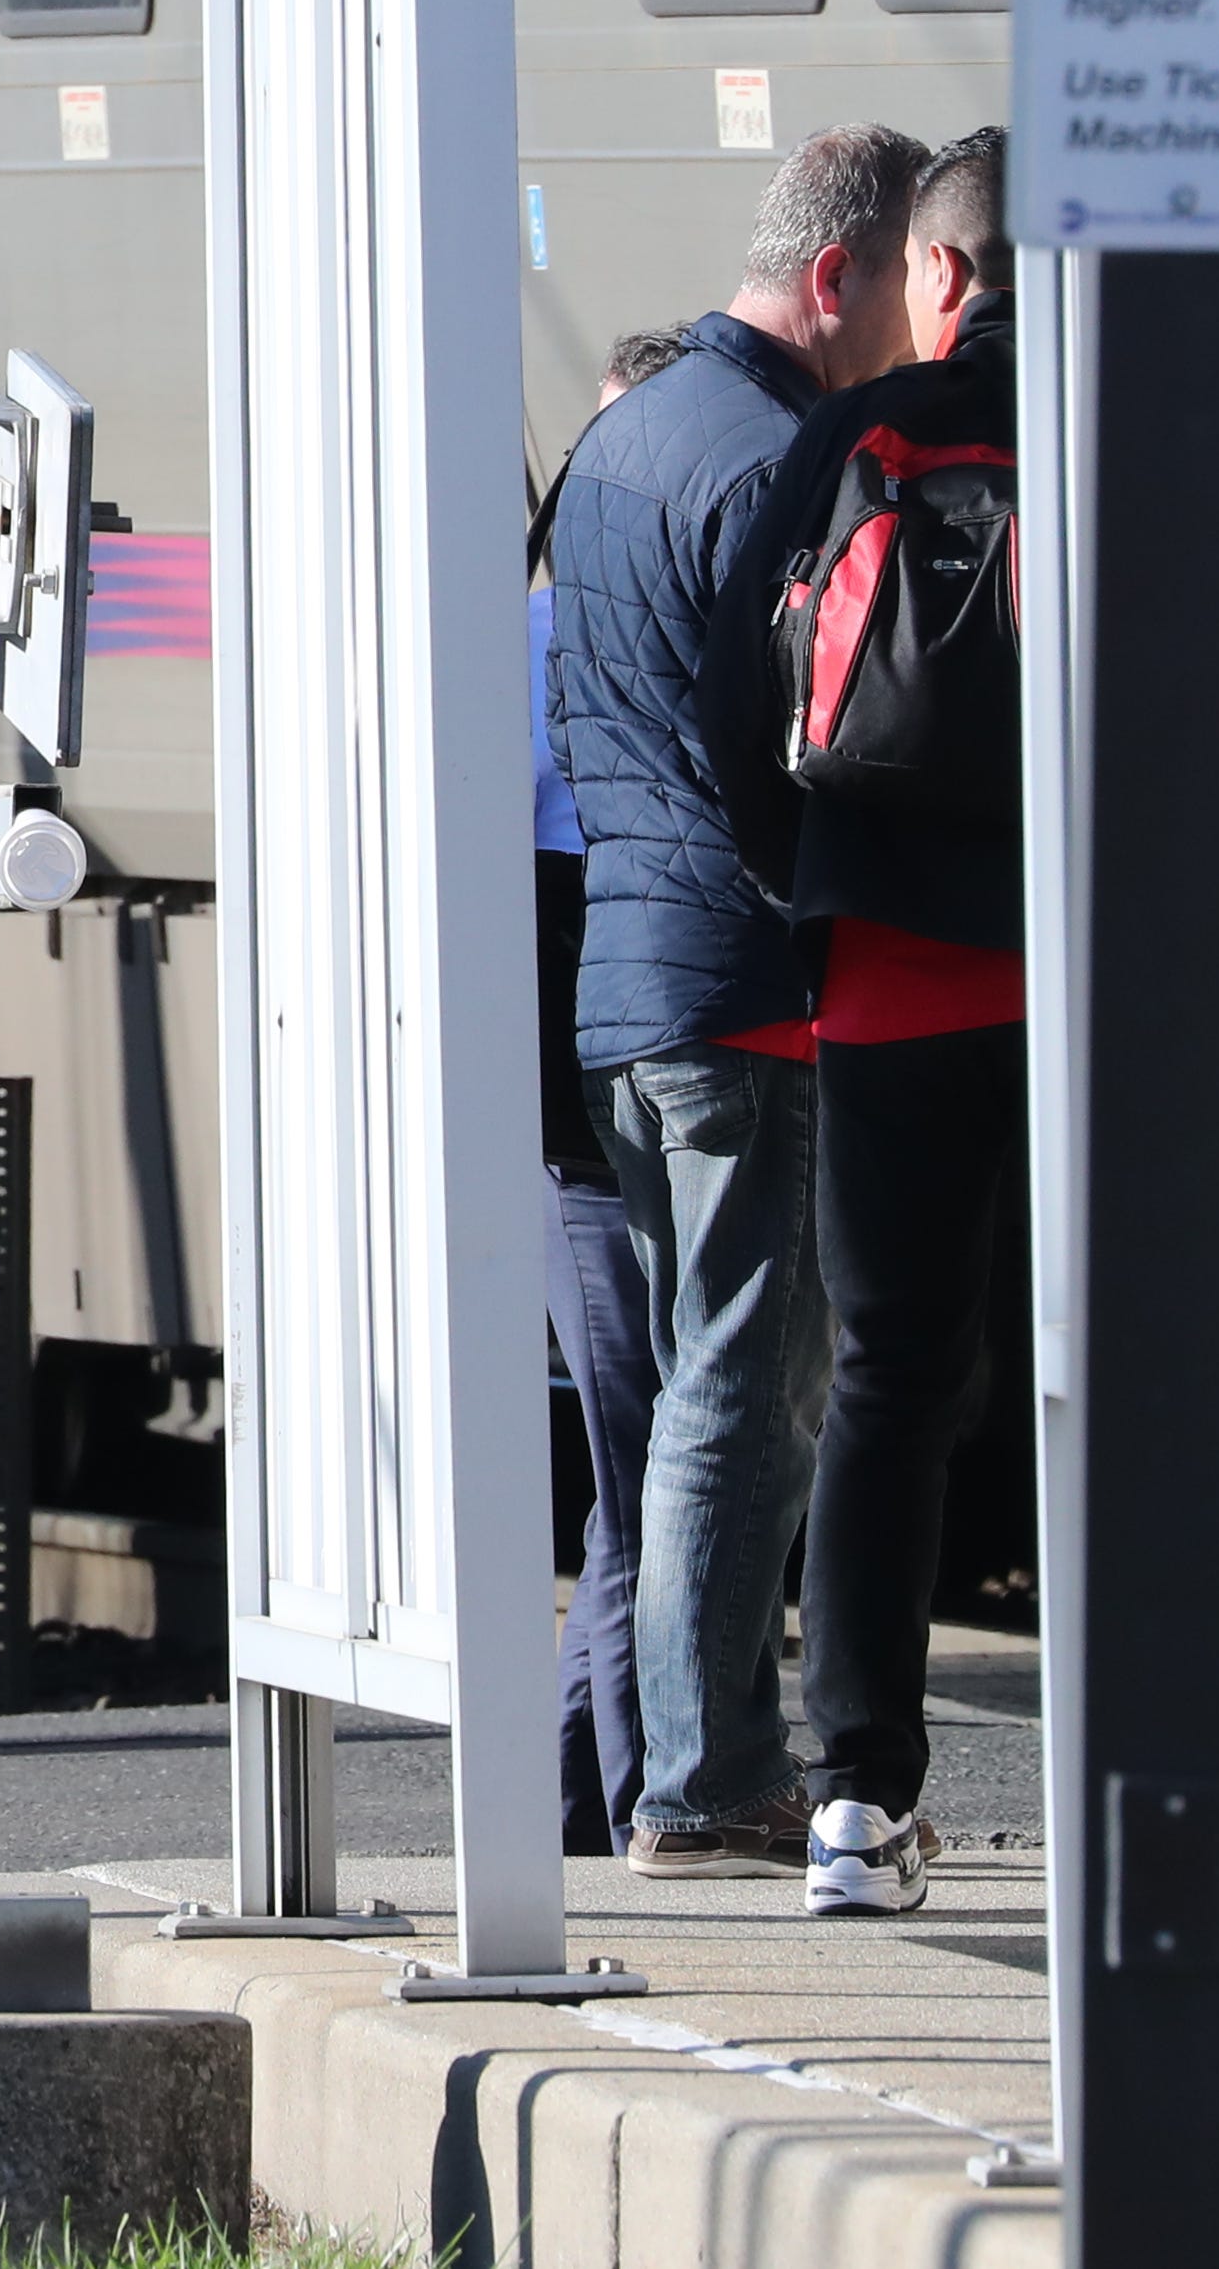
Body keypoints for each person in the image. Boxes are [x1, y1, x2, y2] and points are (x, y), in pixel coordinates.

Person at [542, 122, 926, 1881]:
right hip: (744, 984)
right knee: (741, 1383)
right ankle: (705, 1782)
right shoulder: (777, 458)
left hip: (626, 977)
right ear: (830, 278)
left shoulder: (620, 435)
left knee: (701, 1374)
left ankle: (688, 1765)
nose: (907, 350)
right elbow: (806, 742)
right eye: (895, 305)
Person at [731, 126, 1024, 1918]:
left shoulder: (858, 437)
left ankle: (852, 1800)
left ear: (935, 273)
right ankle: (1161, 1768)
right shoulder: (1136, 431)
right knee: (1119, 1374)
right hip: (1102, 982)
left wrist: (816, 888)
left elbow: (731, 692)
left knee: (886, 1382)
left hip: (891, 981)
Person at [537, 326, 683, 1859]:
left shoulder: (594, 642)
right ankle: (647, 1801)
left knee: (632, 1476)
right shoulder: (555, 653)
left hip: (597, 1116)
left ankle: (571, 1796)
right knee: (646, 1464)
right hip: (586, 1134)